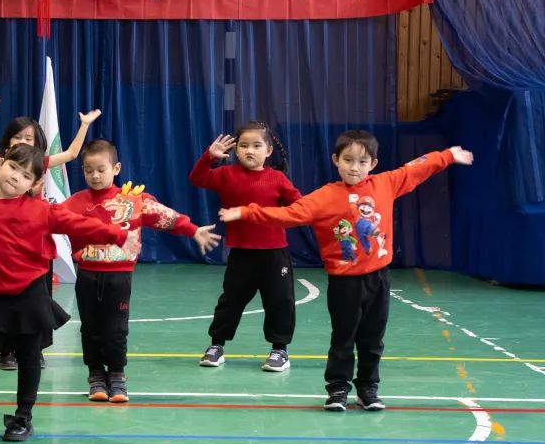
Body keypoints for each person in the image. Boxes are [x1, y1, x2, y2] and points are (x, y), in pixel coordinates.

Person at [220, 130, 473, 411]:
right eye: (348, 160)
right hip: (344, 283)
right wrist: (247, 212)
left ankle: (368, 388)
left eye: (362, 162)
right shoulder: (325, 197)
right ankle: (338, 388)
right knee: (343, 338)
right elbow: (289, 214)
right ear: (336, 160)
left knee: (372, 339)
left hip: (378, 279)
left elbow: (416, 168)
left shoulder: (385, 184)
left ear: (373, 164)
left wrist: (448, 155)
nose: (354, 167)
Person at [0, 144, 139, 441]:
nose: (16, 177)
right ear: (1, 163)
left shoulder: (40, 210)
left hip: (31, 296)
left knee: (29, 359)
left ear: (34, 183)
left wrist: (119, 235)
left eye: (26, 175)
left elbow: (80, 224)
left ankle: (23, 418)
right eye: (13, 167)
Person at [63, 139, 220, 402]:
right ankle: (95, 375)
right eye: (89, 170)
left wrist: (193, 230)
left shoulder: (133, 201)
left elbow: (165, 216)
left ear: (116, 169)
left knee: (116, 328)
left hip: (119, 277)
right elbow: (49, 220)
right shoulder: (75, 203)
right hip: (87, 275)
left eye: (101, 169)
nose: (95, 176)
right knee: (90, 328)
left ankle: (117, 375)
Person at [0, 90, 102, 369]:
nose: (22, 142)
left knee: (38, 299)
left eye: (29, 138)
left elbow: (72, 153)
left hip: (34, 243)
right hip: (3, 245)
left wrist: (84, 124)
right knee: (1, 301)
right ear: (7, 144)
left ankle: (33, 349)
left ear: (38, 144)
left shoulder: (42, 164)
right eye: (17, 137)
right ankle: (6, 351)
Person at [189, 122, 302, 371]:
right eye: (244, 145)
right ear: (236, 150)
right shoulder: (226, 174)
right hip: (241, 254)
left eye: (256, 146)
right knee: (230, 301)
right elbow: (197, 178)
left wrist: (269, 215)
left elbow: (299, 207)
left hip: (275, 254)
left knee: (280, 301)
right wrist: (209, 157)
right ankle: (216, 346)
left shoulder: (278, 178)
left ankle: (279, 350)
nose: (250, 150)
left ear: (268, 151)